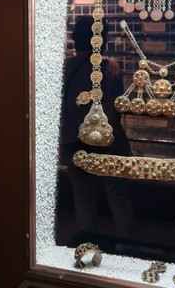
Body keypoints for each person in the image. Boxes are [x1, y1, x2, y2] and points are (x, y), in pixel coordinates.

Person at [58, 15, 136, 249]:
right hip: (108, 143)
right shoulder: (110, 68)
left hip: (75, 143)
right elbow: (116, 110)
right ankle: (127, 249)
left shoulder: (65, 68)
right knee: (119, 199)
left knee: (83, 200)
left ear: (76, 39)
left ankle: (88, 247)